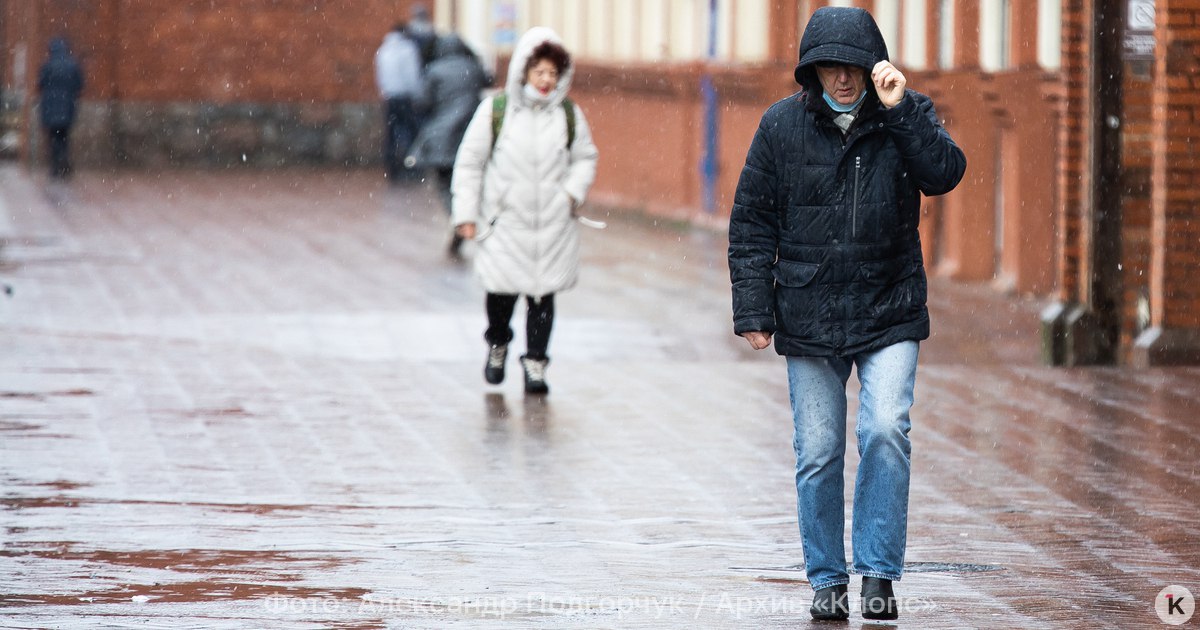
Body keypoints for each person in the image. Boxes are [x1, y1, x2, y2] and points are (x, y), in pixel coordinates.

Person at [727, 6, 965, 622]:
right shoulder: (781, 125)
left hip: (889, 305)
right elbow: (751, 220)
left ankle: (879, 574)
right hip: (808, 309)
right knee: (819, 450)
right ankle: (828, 579)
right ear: (812, 70)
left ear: (873, 66)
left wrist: (901, 108)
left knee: (886, 429)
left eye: (853, 66)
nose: (842, 79)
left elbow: (944, 173)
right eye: (830, 67)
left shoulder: (903, 115)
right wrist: (753, 307)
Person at [451, 27, 599, 395]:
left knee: (542, 295)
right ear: (523, 71)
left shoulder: (568, 115)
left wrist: (570, 193)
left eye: (553, 73)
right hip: (505, 222)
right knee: (501, 293)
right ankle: (498, 344)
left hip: (552, 225)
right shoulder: (496, 112)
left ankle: (536, 363)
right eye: (539, 72)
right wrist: (465, 215)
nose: (546, 80)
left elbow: (585, 158)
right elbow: (470, 162)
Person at [405, 33, 491, 257]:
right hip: (469, 133)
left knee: (445, 183)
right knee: (468, 179)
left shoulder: (435, 70)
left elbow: (421, 102)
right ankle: (465, 219)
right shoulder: (472, 67)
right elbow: (488, 80)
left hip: (442, 137)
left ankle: (459, 219)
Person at [374, 23, 424, 183]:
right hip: (405, 97)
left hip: (390, 97)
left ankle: (392, 169)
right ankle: (410, 167)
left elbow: (380, 75)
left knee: (391, 134)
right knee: (410, 132)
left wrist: (385, 91)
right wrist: (417, 95)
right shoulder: (408, 49)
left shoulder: (383, 50)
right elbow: (412, 76)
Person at [37, 37, 84, 180]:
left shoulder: (47, 65)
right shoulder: (73, 65)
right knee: (64, 137)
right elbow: (79, 85)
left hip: (50, 108)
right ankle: (64, 162)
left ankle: (55, 166)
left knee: (54, 137)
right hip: (67, 107)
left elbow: (40, 84)